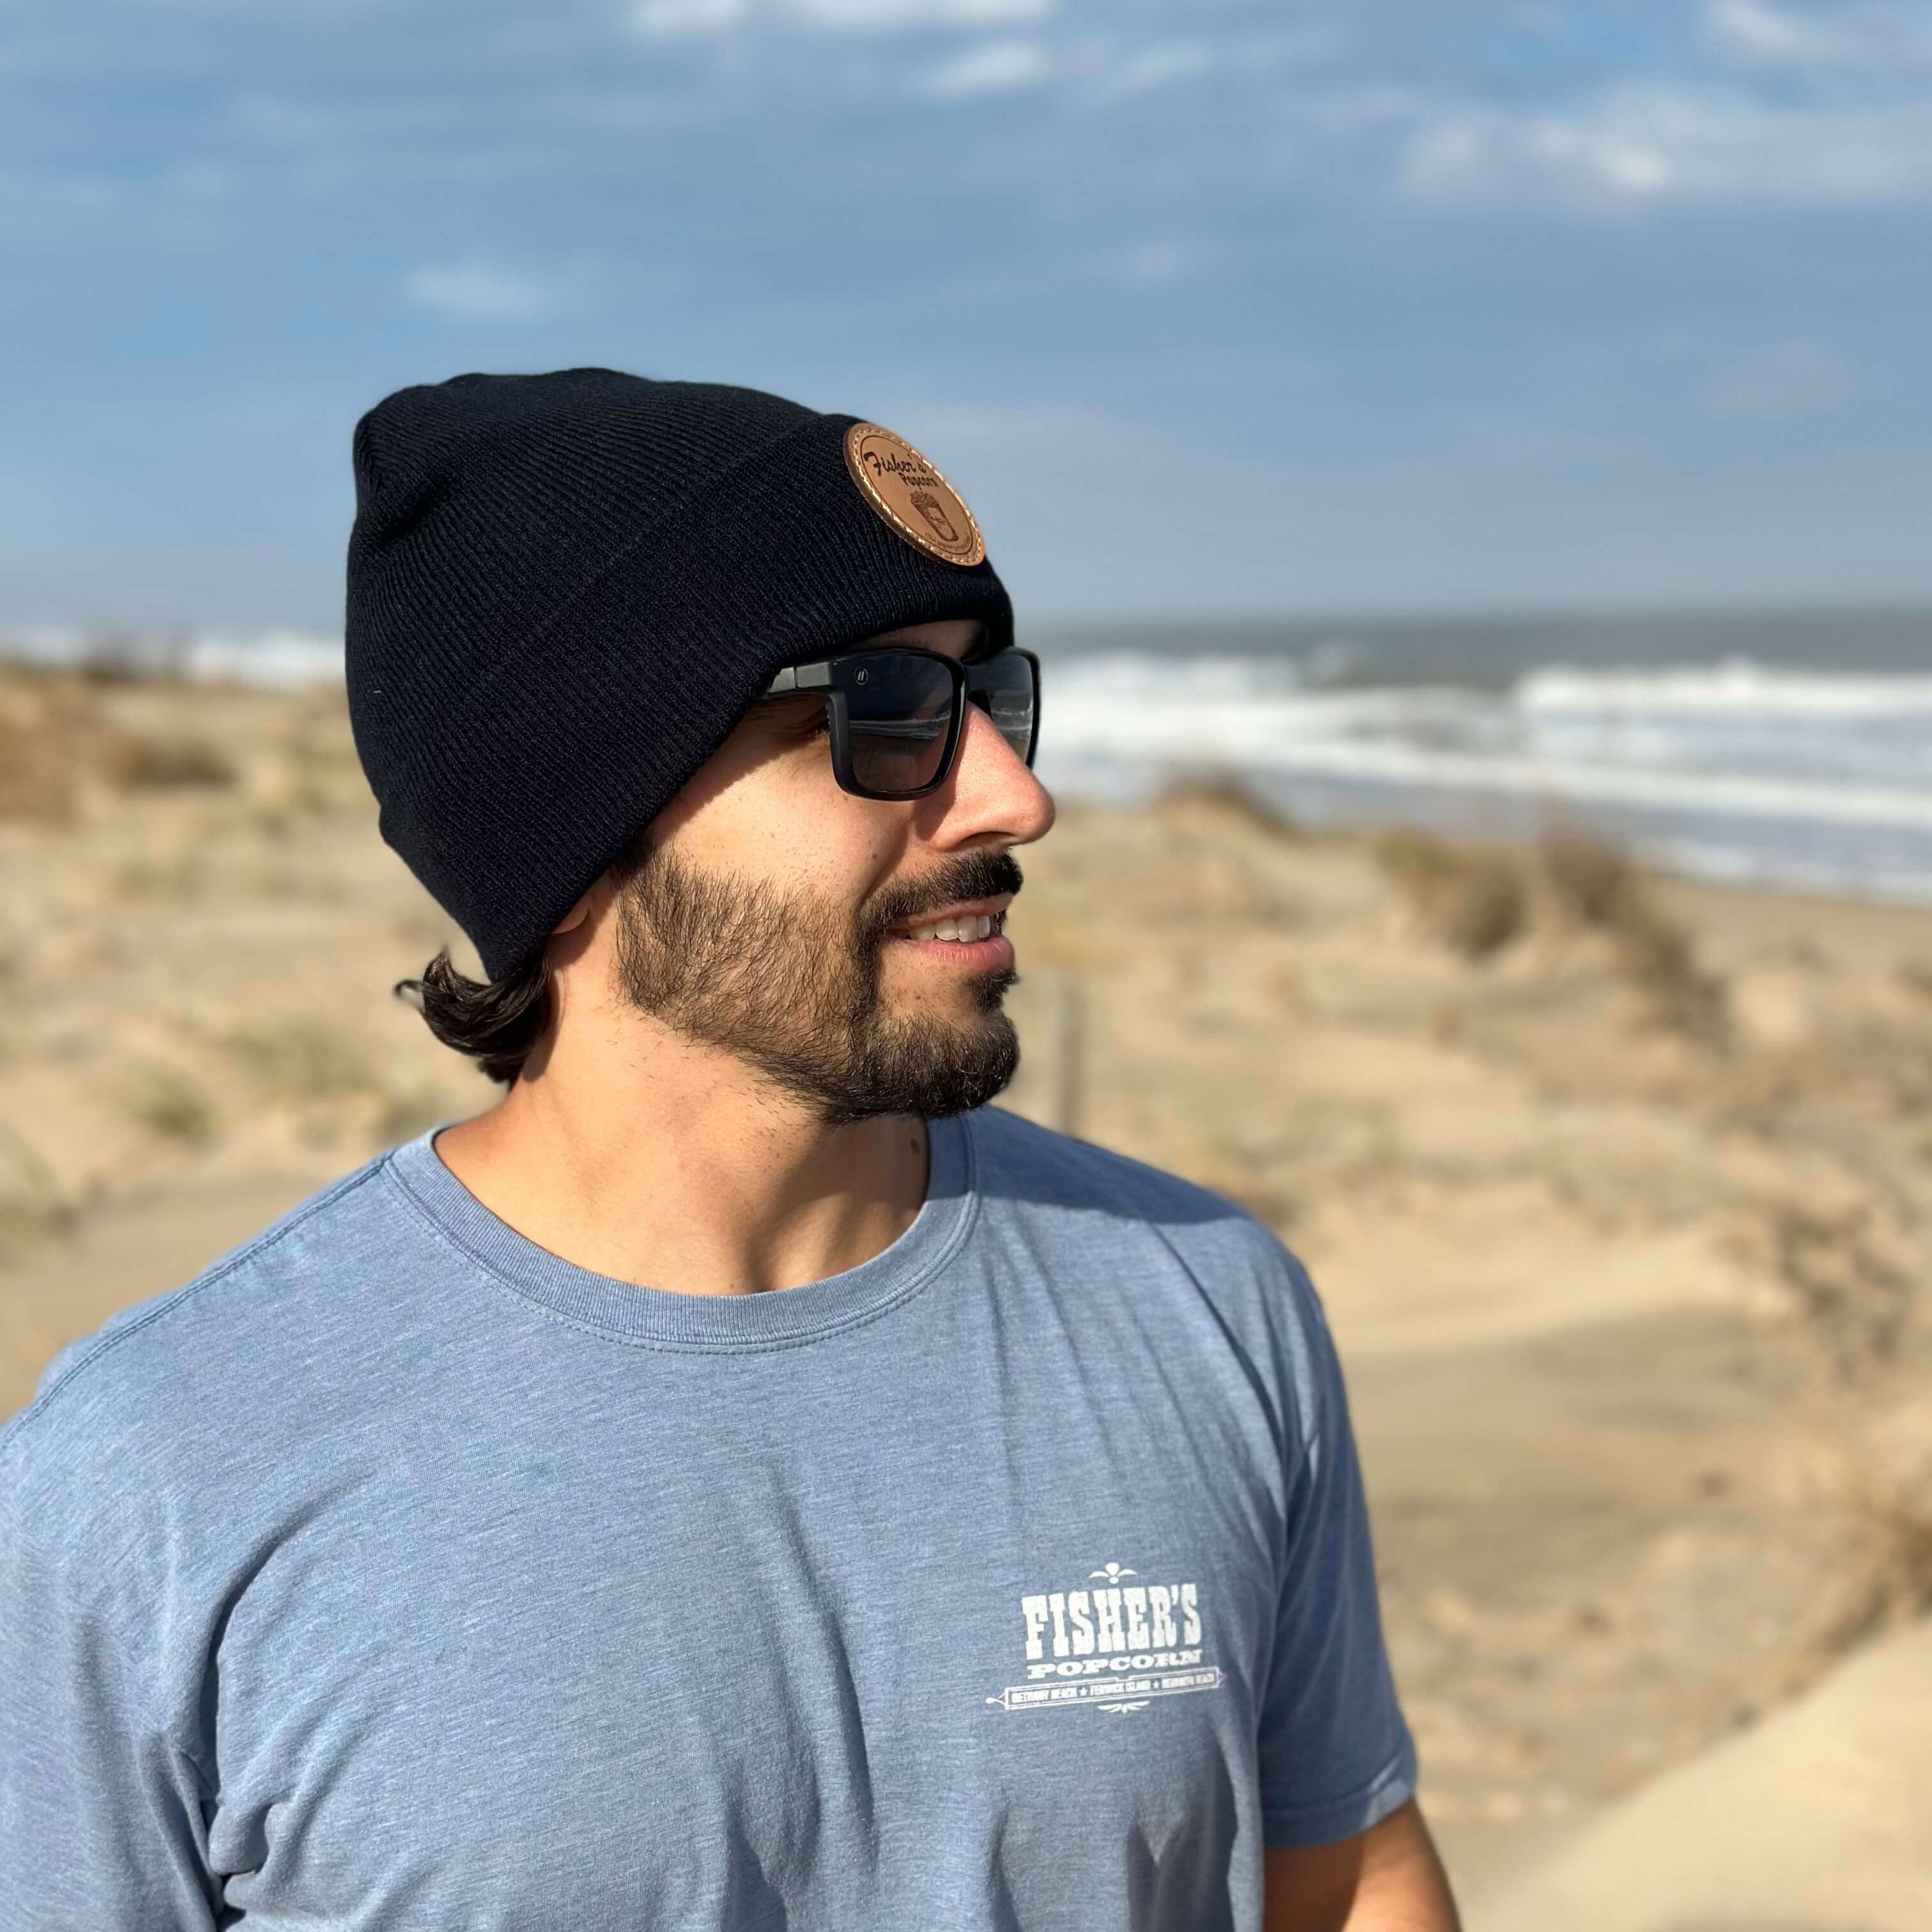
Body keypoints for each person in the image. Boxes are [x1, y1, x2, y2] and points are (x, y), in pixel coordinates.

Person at [0, 370, 1458, 1931]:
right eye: (884, 714)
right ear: (570, 836)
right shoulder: (156, 1476)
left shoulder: (1206, 1307)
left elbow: (1349, 1875)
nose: (1017, 797)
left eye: (990, 698)